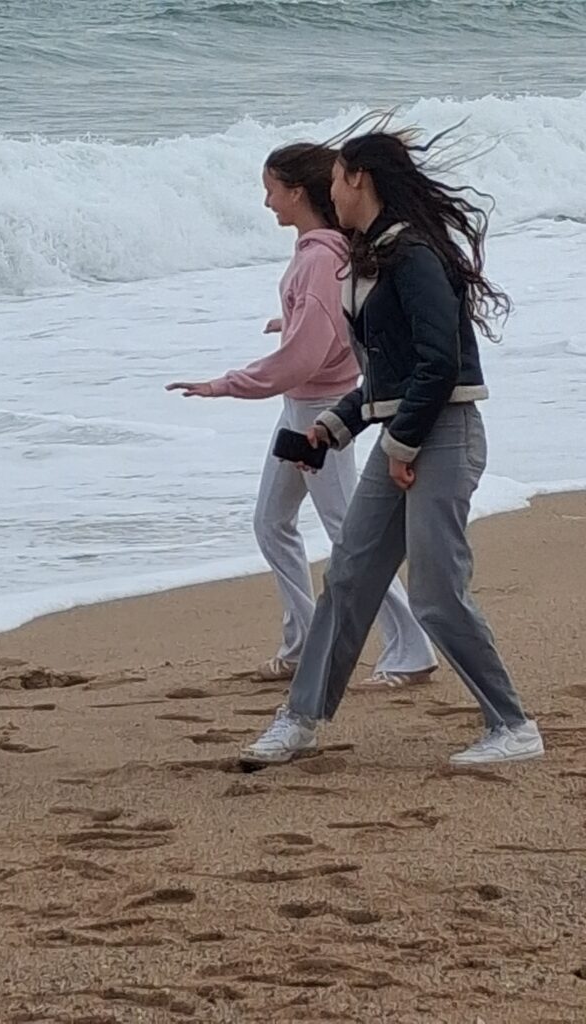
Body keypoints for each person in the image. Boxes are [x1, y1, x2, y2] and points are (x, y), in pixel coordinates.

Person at [240, 120, 543, 768]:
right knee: (349, 576)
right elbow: (388, 375)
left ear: (360, 180)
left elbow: (440, 364)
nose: (330, 189)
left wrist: (402, 445)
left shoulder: (413, 255)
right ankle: (299, 720)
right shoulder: (369, 258)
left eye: (337, 178)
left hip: (445, 435)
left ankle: (513, 725)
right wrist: (336, 425)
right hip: (406, 436)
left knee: (435, 592)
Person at [167, 143, 436, 686]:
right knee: (272, 522)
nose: (266, 202)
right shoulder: (324, 251)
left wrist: (224, 385)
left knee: (348, 534)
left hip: (319, 414)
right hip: (303, 407)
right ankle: (302, 643)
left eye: (271, 190)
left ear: (296, 192)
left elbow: (301, 360)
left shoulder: (319, 257)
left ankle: (411, 648)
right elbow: (328, 321)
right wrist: (289, 322)